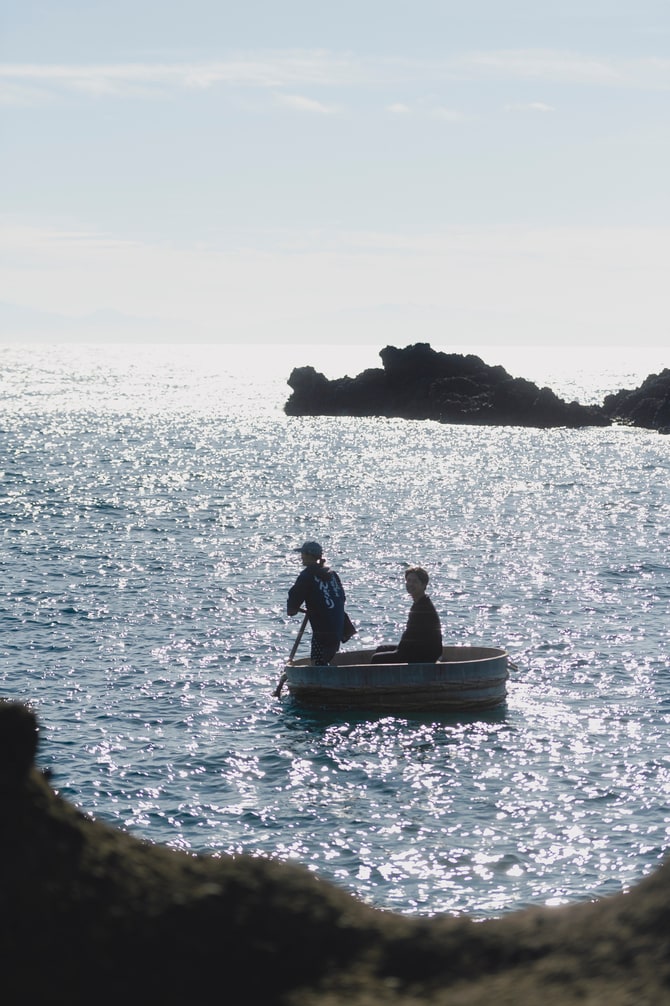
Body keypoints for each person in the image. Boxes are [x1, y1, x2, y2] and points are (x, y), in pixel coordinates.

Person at [287, 541, 347, 666]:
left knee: (318, 662)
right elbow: (341, 598)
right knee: (328, 657)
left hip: (323, 629)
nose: (301, 556)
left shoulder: (307, 576)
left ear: (309, 555)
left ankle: (319, 681)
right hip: (338, 624)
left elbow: (294, 598)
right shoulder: (332, 574)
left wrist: (293, 609)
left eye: (303, 553)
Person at [370, 566, 443, 664]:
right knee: (381, 649)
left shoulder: (423, 607)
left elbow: (410, 638)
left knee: (376, 659)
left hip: (424, 654)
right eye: (408, 581)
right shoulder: (419, 603)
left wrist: (398, 652)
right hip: (416, 649)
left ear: (423, 585)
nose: (410, 584)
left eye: (415, 581)